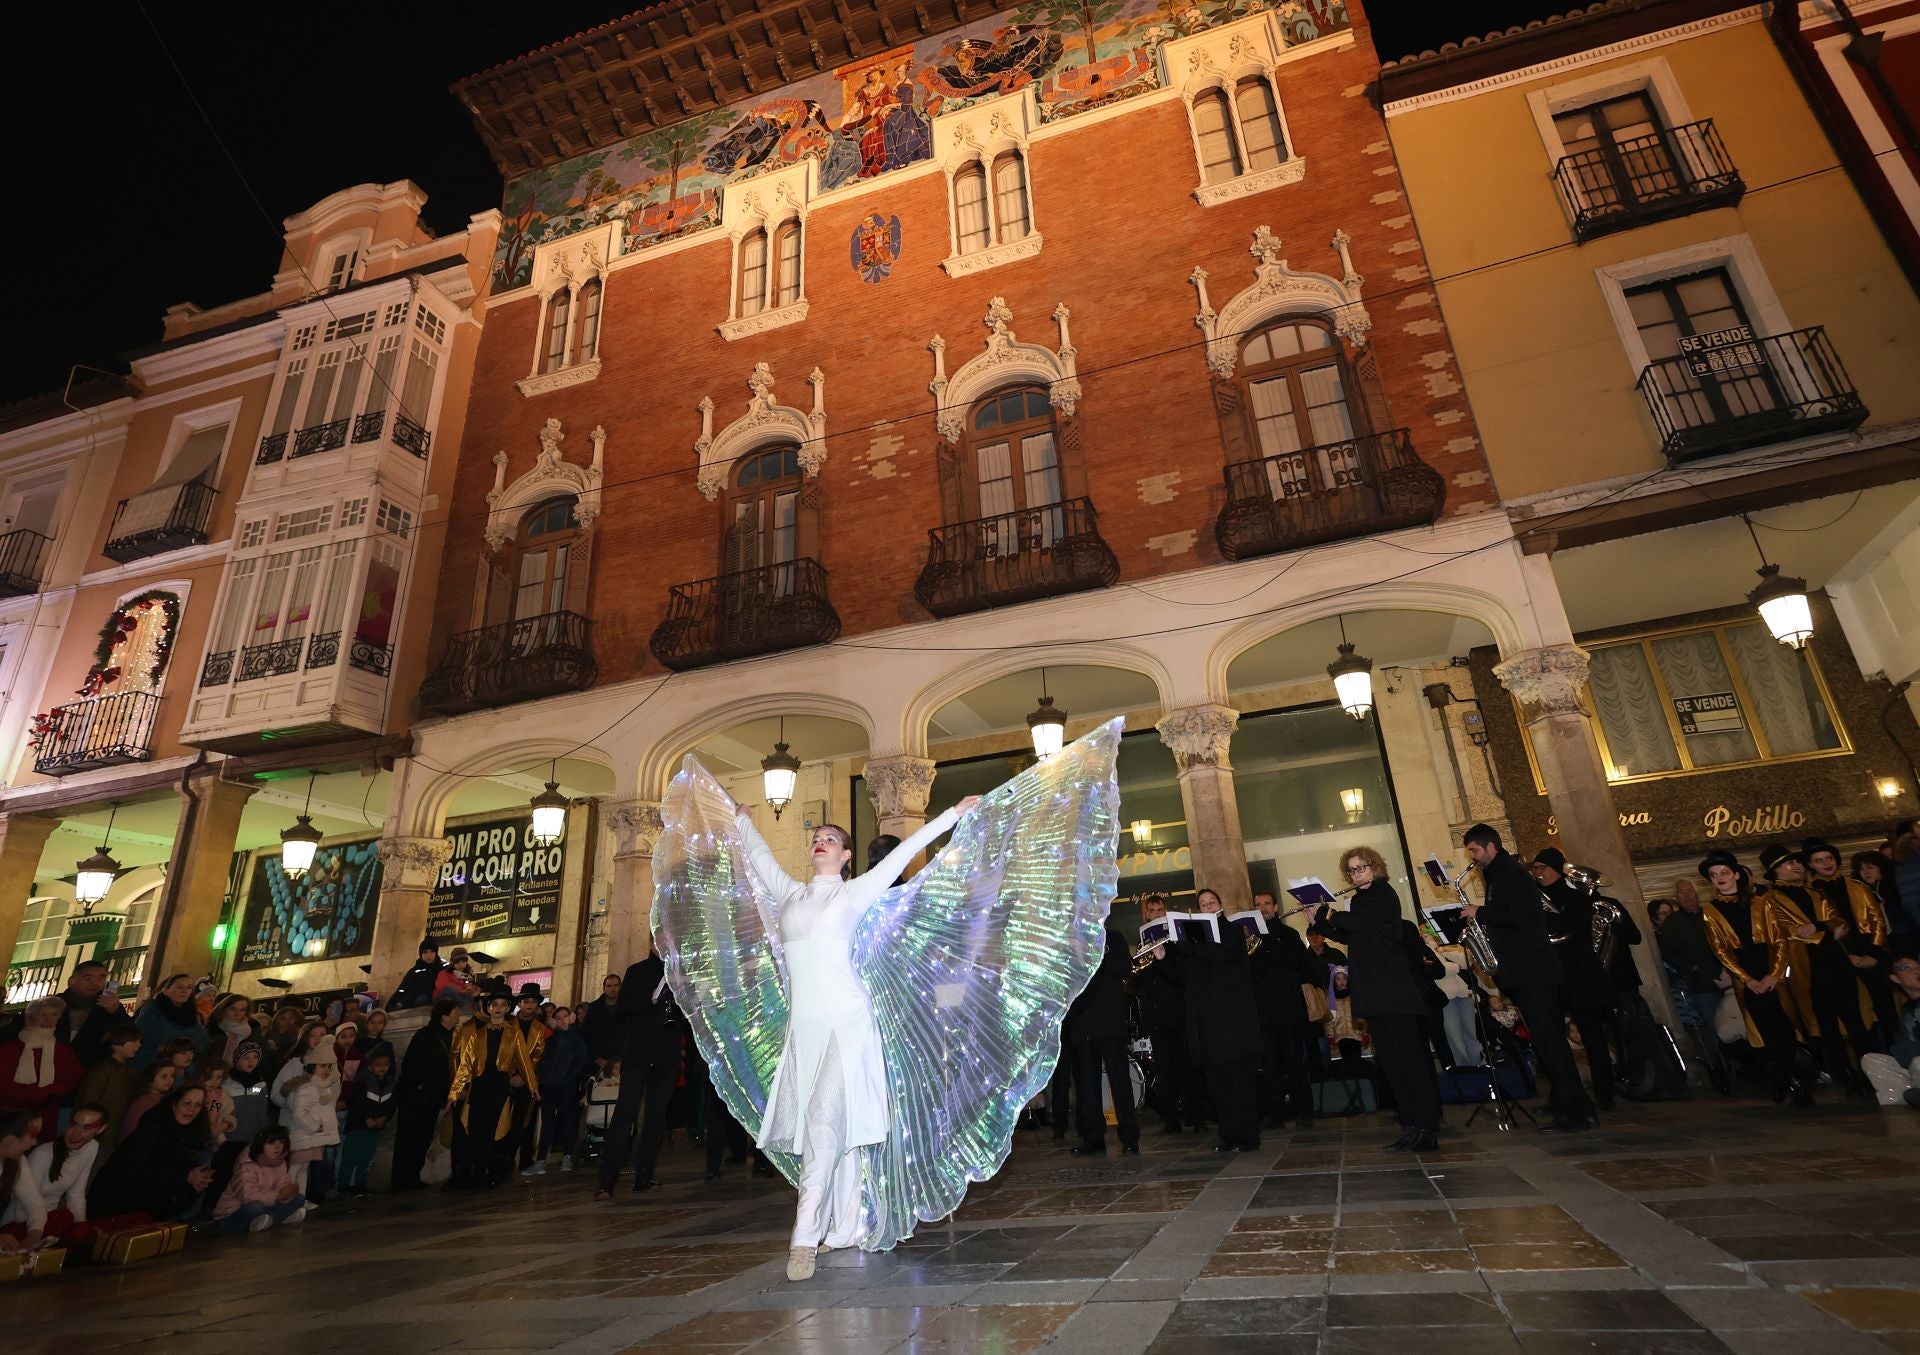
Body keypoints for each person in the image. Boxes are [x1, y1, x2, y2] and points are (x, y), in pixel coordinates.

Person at [731, 797, 980, 1280]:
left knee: (824, 1129)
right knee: (830, 1138)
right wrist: (741, 817)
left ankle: (802, 1241)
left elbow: (905, 850)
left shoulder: (855, 893)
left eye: (830, 839)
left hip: (847, 1025)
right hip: (804, 1031)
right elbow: (759, 855)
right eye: (815, 838)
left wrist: (952, 815)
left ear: (846, 856)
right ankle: (843, 1229)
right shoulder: (789, 894)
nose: (820, 842)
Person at [1460, 824, 1595, 1132]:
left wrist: (1479, 912)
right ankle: (1565, 1102)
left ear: (1491, 847)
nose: (1472, 857)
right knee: (1545, 1043)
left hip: (1533, 971)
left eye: (1474, 850)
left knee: (1551, 1043)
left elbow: (1520, 917)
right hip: (1524, 972)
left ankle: (1577, 1112)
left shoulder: (1509, 873)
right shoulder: (1500, 874)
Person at [1311, 848, 1441, 1151]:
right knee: (1391, 1064)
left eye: (1362, 868)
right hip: (1373, 992)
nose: (1357, 874)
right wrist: (1318, 924)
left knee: (1410, 1062)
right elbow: (1350, 936)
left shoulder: (1383, 895)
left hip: (1394, 991)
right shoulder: (1359, 901)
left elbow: (1356, 924)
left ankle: (1427, 1127)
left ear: (1376, 868)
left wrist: (1328, 913)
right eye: (1352, 870)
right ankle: (1410, 1124)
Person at [1761, 843, 1873, 1095]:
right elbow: (1787, 933)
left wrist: (1818, 926)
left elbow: (1838, 922)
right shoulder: (1769, 901)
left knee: (1854, 1020)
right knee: (1826, 1025)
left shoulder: (1815, 893)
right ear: (1776, 870)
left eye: (1798, 862)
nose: (1798, 865)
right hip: (1809, 968)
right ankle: (1845, 1077)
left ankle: (1870, 1073)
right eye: (1790, 863)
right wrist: (1824, 932)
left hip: (1837, 962)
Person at [1700, 850, 1810, 1104]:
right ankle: (1790, 1080)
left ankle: (1789, 1079)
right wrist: (1747, 979)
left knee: (1786, 1027)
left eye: (1724, 873)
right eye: (1714, 875)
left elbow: (1780, 940)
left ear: (1737, 874)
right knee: (1766, 1031)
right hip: (1746, 977)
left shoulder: (1762, 902)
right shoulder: (1711, 911)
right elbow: (1719, 950)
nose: (1720, 878)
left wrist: (1774, 974)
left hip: (1771, 971)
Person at [1173, 887, 1263, 1155]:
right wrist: (1167, 957)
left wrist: (1189, 948)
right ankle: (1228, 1135)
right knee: (1217, 1085)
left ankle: (1248, 1137)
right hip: (1207, 1026)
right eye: (1203, 904)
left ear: (1220, 905)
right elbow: (1182, 978)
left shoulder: (1232, 930)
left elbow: (1221, 955)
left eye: (1212, 902)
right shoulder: (1193, 944)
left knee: (1239, 1083)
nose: (1209, 906)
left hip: (1232, 1025)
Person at [595, 953, 687, 1199]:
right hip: (638, 1054)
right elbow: (622, 1008)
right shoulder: (637, 971)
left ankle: (644, 1175)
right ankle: (607, 1180)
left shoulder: (681, 971)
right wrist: (652, 1000)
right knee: (625, 1115)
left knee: (656, 1118)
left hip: (666, 1055)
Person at [1062, 918, 1139, 1156]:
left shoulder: (1114, 938)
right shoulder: (1071, 940)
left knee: (1120, 1080)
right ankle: (1093, 1138)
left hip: (1109, 1019)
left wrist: (1097, 953)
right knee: (1086, 1083)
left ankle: (1129, 1137)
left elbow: (1125, 969)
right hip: (1082, 1022)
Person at [1805, 838, 1897, 1035]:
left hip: (1870, 952)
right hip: (1840, 957)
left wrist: (1873, 953)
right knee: (1857, 1015)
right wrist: (1847, 956)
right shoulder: (1811, 893)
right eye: (1819, 861)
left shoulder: (1858, 886)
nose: (1826, 863)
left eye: (1829, 858)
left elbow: (1877, 921)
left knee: (1886, 1008)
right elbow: (1820, 930)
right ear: (1811, 865)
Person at [448, 992, 539, 1190]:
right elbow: (466, 1065)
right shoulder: (477, 1034)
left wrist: (532, 1087)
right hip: (479, 1085)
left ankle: (482, 1174)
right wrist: (455, 1092)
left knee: (492, 1131)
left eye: (502, 1005)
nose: (498, 1008)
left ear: (507, 1008)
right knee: (474, 1128)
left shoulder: (513, 1033)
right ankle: (472, 1174)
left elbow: (524, 1061)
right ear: (488, 1007)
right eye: (494, 1004)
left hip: (499, 1086)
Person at [89, 1085, 216, 1221]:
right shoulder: (152, 1128)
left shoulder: (190, 1132)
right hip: (118, 1199)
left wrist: (194, 1183)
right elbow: (140, 1173)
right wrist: (186, 1175)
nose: (192, 1109)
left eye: (198, 1105)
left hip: (149, 1199)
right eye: (187, 1103)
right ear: (174, 1105)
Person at [1133, 894, 1203, 1135]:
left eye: (1160, 910)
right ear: (1147, 915)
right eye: (1152, 911)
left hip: (1178, 1014)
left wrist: (1162, 959)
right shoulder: (1143, 944)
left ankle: (1195, 1116)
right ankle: (1171, 1119)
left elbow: (1181, 978)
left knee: (1186, 1067)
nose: (1156, 914)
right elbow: (1138, 982)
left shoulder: (1177, 943)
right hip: (1156, 1017)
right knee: (1163, 1070)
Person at [0, 1103, 107, 1253]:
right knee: (64, 1218)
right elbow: (22, 1209)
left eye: (87, 1128)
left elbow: (35, 1203)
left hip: (41, 1222)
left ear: (101, 1129)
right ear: (11, 1139)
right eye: (32, 1135)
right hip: (17, 1224)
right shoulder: (41, 1154)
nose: (34, 1142)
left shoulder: (19, 1161)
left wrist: (34, 1235)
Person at [1247, 890, 1314, 1128]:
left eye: (1266, 904)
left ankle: (1305, 1112)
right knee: (1270, 1066)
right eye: (1258, 904)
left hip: (1287, 1010)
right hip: (1263, 1013)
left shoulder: (1288, 934)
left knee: (1295, 1062)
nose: (1263, 907)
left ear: (1275, 907)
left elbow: (1303, 967)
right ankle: (1276, 1113)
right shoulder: (1248, 939)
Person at [392, 998, 460, 1191]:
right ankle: (401, 1180)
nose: (458, 1015)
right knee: (408, 1139)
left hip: (434, 1098)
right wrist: (419, 1088)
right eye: (455, 1011)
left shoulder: (452, 1036)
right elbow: (411, 1066)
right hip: (415, 1097)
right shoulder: (425, 1036)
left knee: (423, 1138)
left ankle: (413, 1177)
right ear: (444, 1015)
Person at [0, 997, 84, 1142]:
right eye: (43, 1014)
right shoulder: (11, 1048)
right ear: (30, 1017)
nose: (48, 1020)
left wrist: (52, 1092)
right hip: (12, 1116)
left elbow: (74, 1076)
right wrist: (35, 1094)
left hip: (47, 1116)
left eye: (53, 1015)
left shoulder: (61, 1050)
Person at [528, 1004, 589, 1175]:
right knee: (547, 1122)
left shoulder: (576, 1038)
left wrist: (569, 1076)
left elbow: (582, 1060)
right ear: (553, 1020)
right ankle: (541, 1160)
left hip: (566, 1086)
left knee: (567, 1121)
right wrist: (542, 1078)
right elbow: (541, 1061)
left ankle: (567, 1157)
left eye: (565, 1016)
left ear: (570, 1018)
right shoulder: (549, 1040)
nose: (562, 1020)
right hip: (549, 1086)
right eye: (558, 1017)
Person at [212, 1125, 307, 1233]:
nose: (277, 1147)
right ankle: (278, 1218)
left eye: (281, 1142)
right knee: (256, 1208)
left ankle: (269, 1220)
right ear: (261, 1145)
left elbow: (282, 1183)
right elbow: (247, 1196)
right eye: (271, 1143)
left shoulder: (280, 1163)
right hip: (232, 1213)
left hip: (266, 1206)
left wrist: (288, 1191)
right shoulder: (246, 1166)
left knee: (299, 1198)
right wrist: (278, 1196)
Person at [283, 1044, 341, 1206]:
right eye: (322, 1066)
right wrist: (315, 1126)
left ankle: (299, 1199)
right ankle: (289, 1200)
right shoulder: (307, 1088)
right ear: (312, 1066)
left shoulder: (321, 1087)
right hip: (305, 1136)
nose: (327, 1070)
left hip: (312, 1138)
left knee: (303, 1169)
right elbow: (299, 1112)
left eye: (329, 1066)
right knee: (295, 1169)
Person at [1861, 955, 1920, 1107]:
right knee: (1871, 1060)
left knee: (1918, 1062)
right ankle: (1908, 1096)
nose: (1916, 971)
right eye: (1906, 968)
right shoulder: (1908, 1012)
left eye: (1918, 967)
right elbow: (1900, 1049)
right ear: (1895, 978)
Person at [76, 1021, 143, 1153]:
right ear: (118, 1043)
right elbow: (88, 1101)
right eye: (134, 1041)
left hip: (112, 1134)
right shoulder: (103, 1071)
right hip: (99, 1136)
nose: (138, 1045)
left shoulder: (128, 1071)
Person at [338, 1044, 396, 1196]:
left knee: (366, 1157)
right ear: (370, 1067)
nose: (383, 1068)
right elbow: (357, 1104)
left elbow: (391, 1104)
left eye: (386, 1064)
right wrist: (367, 1118)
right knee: (350, 1157)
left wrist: (384, 1118)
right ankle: (343, 1186)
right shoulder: (362, 1082)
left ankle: (360, 1184)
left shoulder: (389, 1084)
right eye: (378, 1065)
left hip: (375, 1128)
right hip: (358, 1126)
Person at [51, 961, 123, 1069]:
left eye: (100, 979)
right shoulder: (52, 1005)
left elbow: (128, 1036)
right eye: (88, 978)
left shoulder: (108, 1008)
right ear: (71, 981)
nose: (94, 983)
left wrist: (116, 1012)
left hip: (90, 1072)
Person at [510, 984, 550, 1171]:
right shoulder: (508, 1024)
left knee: (528, 1122)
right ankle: (504, 1160)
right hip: (508, 1081)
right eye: (526, 1001)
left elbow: (542, 1057)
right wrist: (513, 1075)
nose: (530, 1005)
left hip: (530, 1082)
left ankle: (525, 1159)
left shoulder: (541, 1028)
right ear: (520, 1003)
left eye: (533, 1001)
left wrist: (527, 1076)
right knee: (507, 1122)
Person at [133, 973, 206, 1067]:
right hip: (152, 1065)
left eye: (189, 987)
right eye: (179, 987)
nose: (184, 991)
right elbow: (151, 1036)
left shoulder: (191, 1014)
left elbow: (202, 1040)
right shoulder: (152, 1010)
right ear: (166, 990)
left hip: (181, 1069)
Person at [223, 1041, 273, 1144]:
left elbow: (262, 1111)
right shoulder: (225, 1083)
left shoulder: (260, 1084)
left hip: (251, 1138)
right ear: (237, 1060)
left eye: (255, 1057)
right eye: (246, 1058)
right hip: (227, 1137)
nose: (251, 1061)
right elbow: (216, 1106)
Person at [580, 972, 624, 1074]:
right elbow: (586, 1036)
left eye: (615, 986)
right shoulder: (593, 1008)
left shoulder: (626, 1008)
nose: (612, 989)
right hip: (599, 1062)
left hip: (622, 1061)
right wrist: (596, 1058)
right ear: (604, 988)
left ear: (620, 987)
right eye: (609, 986)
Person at [121, 1061, 179, 1139]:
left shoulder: (161, 1098)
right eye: (164, 1076)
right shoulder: (147, 1102)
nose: (169, 1080)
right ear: (150, 1078)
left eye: (172, 1076)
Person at [392, 941, 446, 1011]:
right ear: (421, 954)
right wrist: (393, 1004)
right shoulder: (414, 971)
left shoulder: (443, 968)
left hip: (439, 999)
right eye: (425, 952)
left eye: (432, 951)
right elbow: (403, 988)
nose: (429, 955)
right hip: (419, 1002)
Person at [206, 995, 259, 1062]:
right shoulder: (213, 1028)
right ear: (223, 1010)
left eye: (242, 1010)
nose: (237, 1014)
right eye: (233, 1009)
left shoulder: (253, 1029)